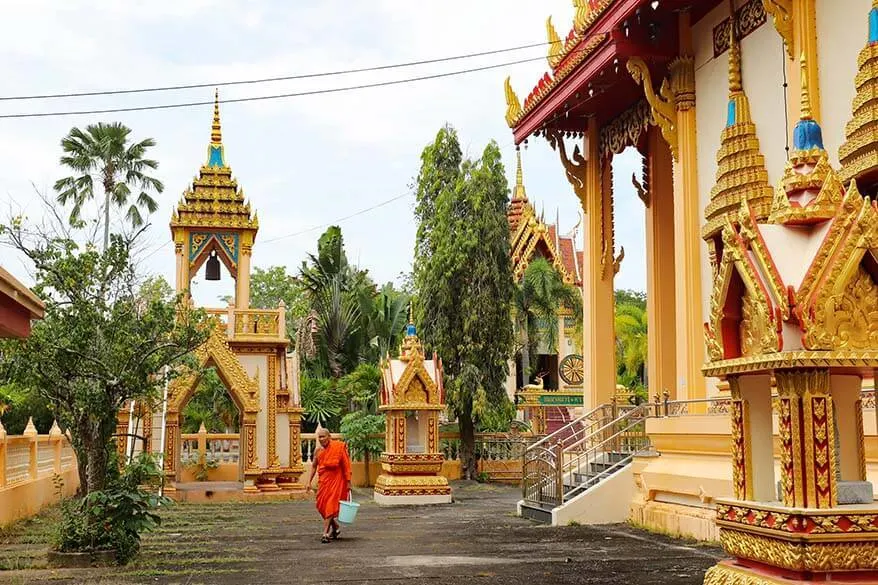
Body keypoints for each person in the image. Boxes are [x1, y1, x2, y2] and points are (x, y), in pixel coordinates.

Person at [306, 427, 352, 543]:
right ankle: (335, 527)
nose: (321, 439)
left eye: (323, 436)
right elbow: (314, 466)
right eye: (319, 437)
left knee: (330, 505)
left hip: (336, 481)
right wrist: (308, 482)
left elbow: (346, 465)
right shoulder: (318, 451)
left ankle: (325, 533)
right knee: (321, 506)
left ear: (329, 437)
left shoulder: (338, 447)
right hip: (323, 482)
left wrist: (348, 481)